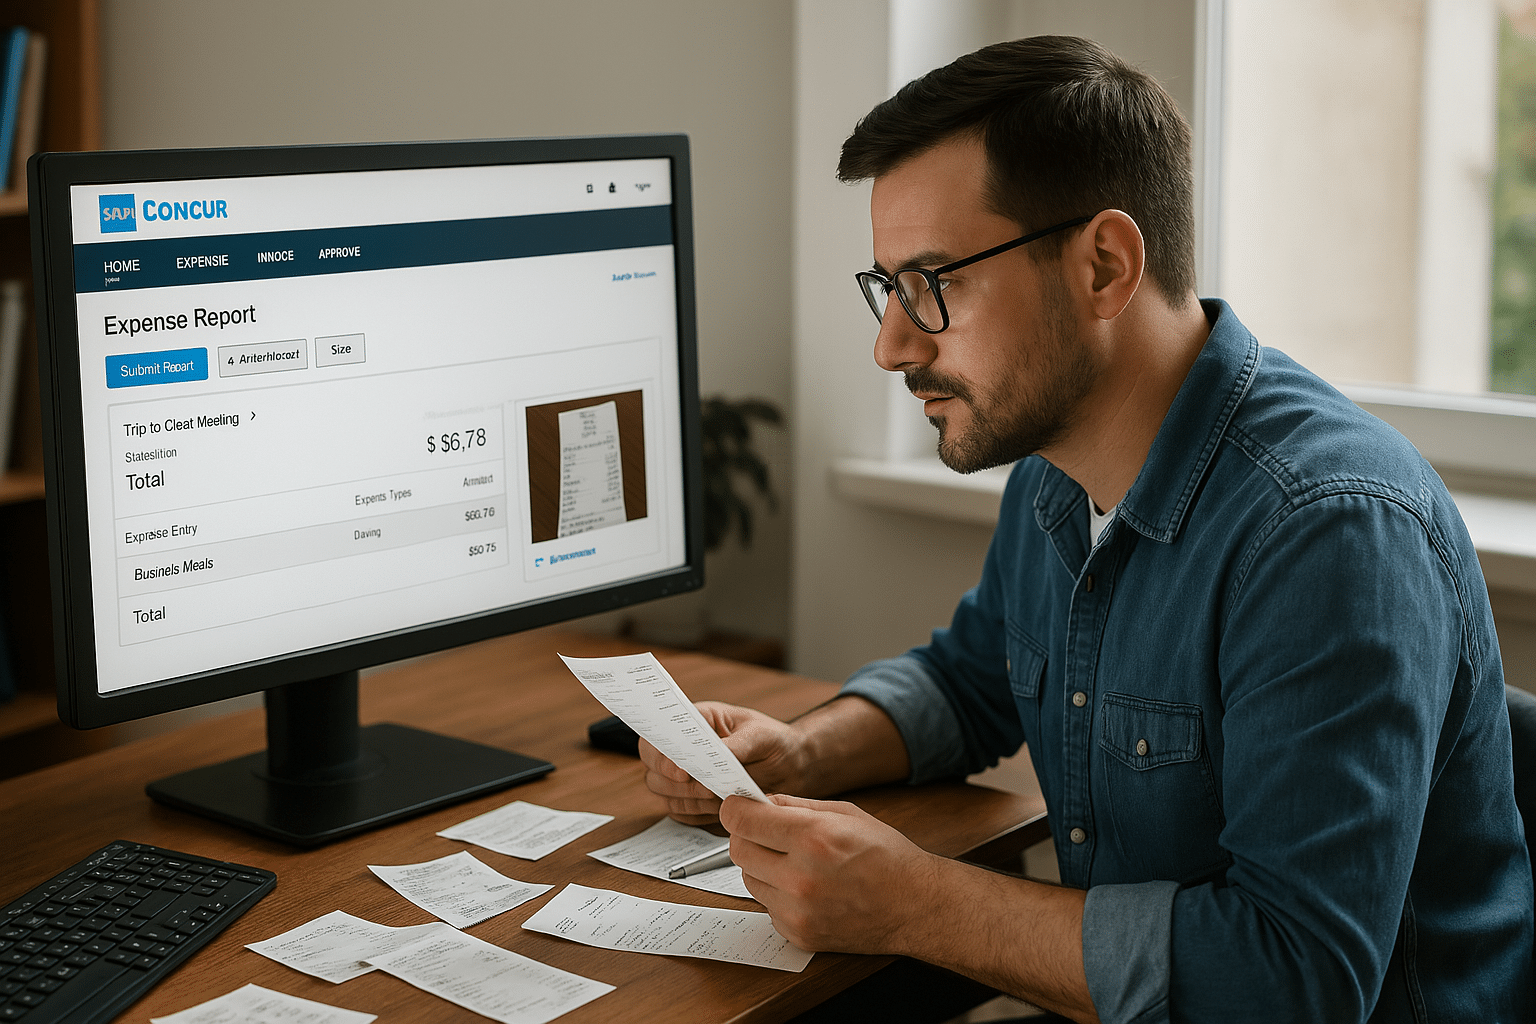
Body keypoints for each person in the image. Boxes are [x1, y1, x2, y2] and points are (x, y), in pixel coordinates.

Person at [641, 35, 1533, 1023]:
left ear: (1104, 266)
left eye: (933, 284)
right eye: (887, 288)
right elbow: (973, 675)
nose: (892, 343)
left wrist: (911, 902)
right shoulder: (1057, 468)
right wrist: (804, 749)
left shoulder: (1328, 536)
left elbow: (1293, 982)